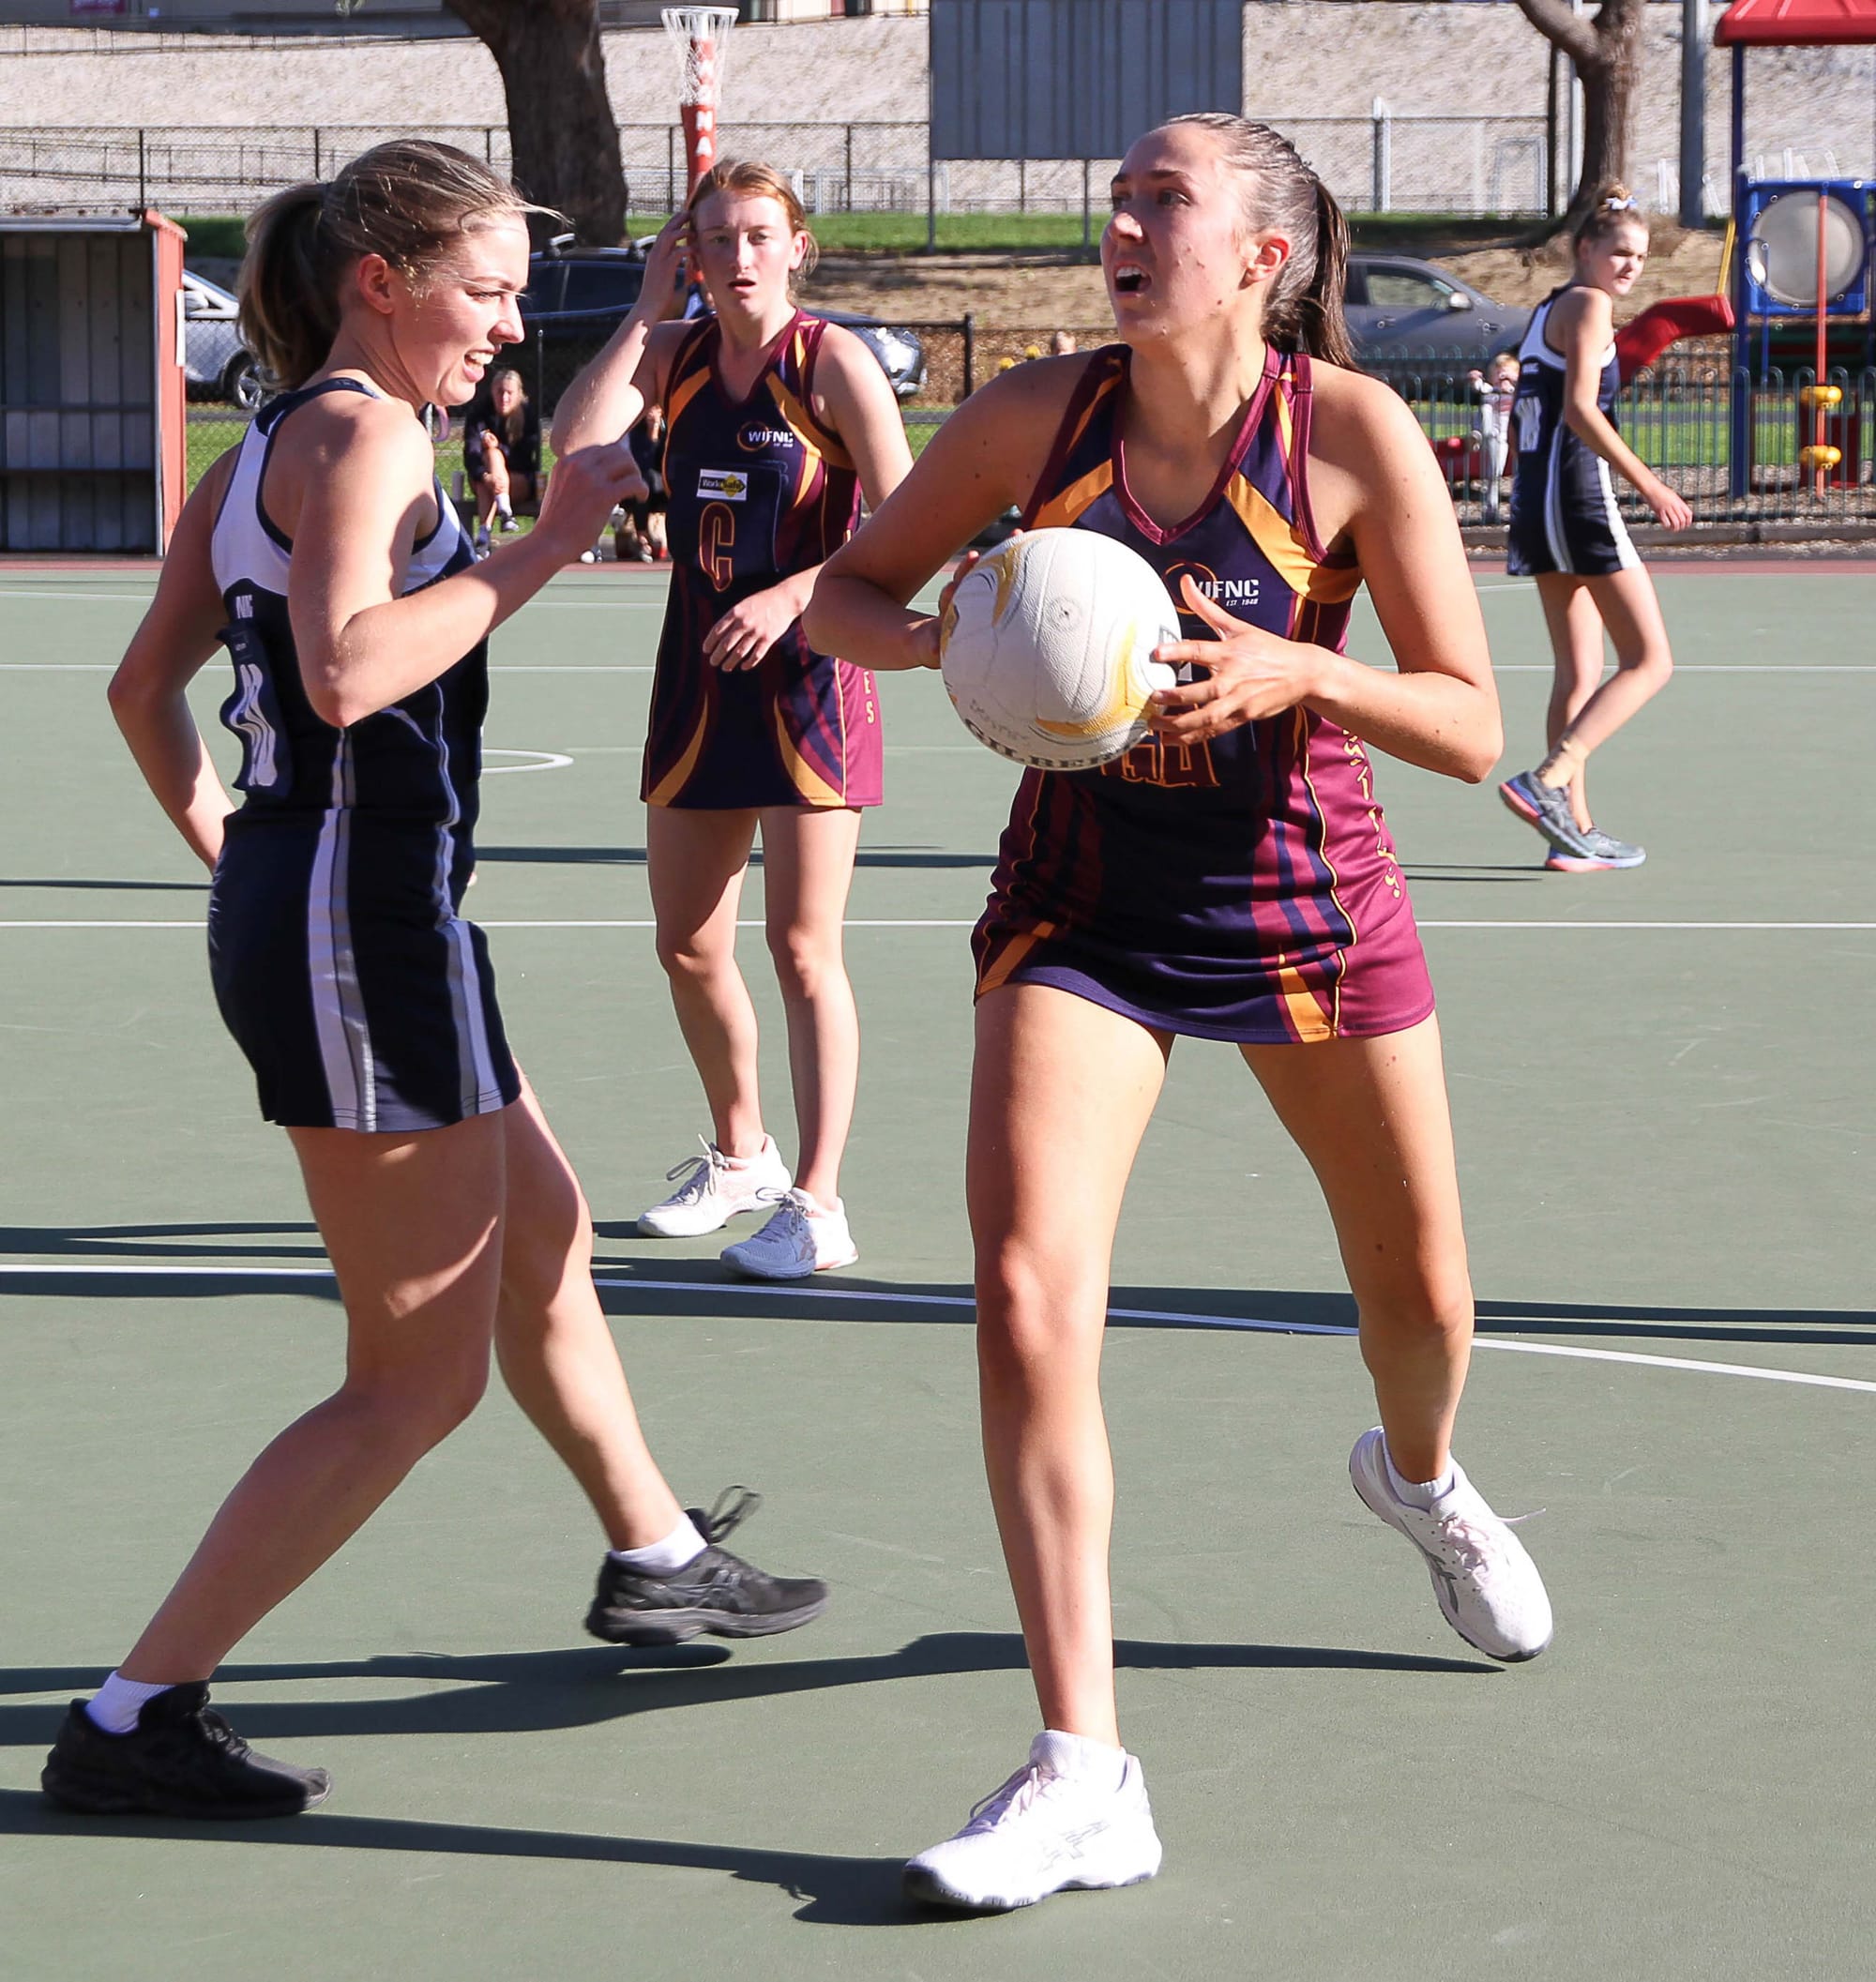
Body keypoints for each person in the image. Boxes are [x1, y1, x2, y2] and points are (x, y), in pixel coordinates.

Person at [808, 113, 1553, 1913]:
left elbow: (1472, 725)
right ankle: (1084, 1766)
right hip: (1085, 902)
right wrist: (969, 636)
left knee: (1423, 1304)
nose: (1126, 219)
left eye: (1169, 198)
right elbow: (846, 596)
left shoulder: (1350, 435)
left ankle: (1424, 1473)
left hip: (1307, 902)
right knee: (1023, 1287)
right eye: (1122, 193)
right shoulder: (1032, 423)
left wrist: (1306, 663)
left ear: (1263, 255)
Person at [43, 141, 827, 1824]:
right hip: (357, 919)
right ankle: (133, 1711)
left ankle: (655, 1550)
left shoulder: (275, 430)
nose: (507, 326)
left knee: (541, 1229)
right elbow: (341, 675)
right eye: (482, 293)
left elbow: (139, 691)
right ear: (381, 283)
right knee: (417, 1378)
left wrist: (248, 864)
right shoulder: (359, 430)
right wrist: (548, 544)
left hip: (351, 907)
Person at [552, 162, 913, 1281]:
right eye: (714, 238)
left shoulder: (834, 364)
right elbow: (575, 445)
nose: (738, 256)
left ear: (797, 246)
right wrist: (644, 308)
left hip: (811, 682)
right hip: (697, 683)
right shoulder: (676, 357)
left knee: (803, 948)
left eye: (759, 234)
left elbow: (913, 521)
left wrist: (798, 592)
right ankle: (740, 1151)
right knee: (686, 942)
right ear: (690, 254)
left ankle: (819, 1198)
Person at [1497, 186, 1690, 872]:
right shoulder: (1589, 303)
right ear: (1587, 250)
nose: (1631, 266)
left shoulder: (1553, 306)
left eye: (1639, 256)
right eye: (1620, 252)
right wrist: (1651, 483)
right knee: (1651, 659)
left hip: (1537, 504)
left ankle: (1570, 836)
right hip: (1574, 498)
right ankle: (1547, 782)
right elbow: (1580, 409)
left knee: (1579, 671)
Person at [461, 362, 542, 556]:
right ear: (492, 391)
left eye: (509, 393)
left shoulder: (528, 415)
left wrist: (497, 449)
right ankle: (505, 512)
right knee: (487, 470)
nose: (504, 398)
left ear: (518, 393)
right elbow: (470, 455)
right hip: (485, 479)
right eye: (499, 392)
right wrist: (485, 474)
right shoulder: (479, 414)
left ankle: (483, 537)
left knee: (493, 455)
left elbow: (525, 456)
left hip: (519, 480)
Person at [616, 402, 670, 562]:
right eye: (649, 410)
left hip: (663, 487)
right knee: (644, 485)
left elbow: (665, 463)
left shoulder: (668, 434)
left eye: (655, 409)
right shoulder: (635, 435)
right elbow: (642, 463)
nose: (651, 413)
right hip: (641, 487)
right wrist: (651, 432)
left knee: (650, 481)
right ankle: (642, 538)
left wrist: (656, 432)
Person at [1470, 348, 1519, 523]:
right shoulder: (1491, 390)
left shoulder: (1516, 391)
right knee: (1494, 473)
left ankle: (1517, 509)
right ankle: (1491, 508)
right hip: (1494, 434)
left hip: (1511, 431)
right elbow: (1480, 388)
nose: (1502, 377)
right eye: (1498, 373)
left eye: (1506, 373)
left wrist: (1511, 385)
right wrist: (1475, 379)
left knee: (1518, 473)